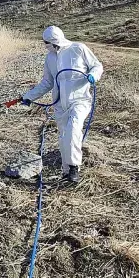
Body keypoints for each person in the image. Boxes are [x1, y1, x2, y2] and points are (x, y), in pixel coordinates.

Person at [21, 26, 103, 183]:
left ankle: (74, 168)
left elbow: (97, 65)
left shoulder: (78, 48)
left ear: (54, 41)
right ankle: (67, 173)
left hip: (80, 100)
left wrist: (93, 75)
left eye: (47, 43)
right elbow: (47, 82)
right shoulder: (50, 58)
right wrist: (29, 97)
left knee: (73, 129)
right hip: (60, 104)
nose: (46, 46)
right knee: (64, 136)